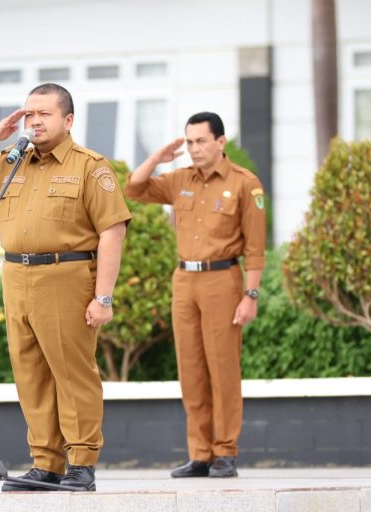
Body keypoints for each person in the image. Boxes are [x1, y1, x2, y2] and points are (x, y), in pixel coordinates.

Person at [0, 83, 131, 491]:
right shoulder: (13, 162)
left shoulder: (90, 166)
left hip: (65, 276)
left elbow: (112, 233)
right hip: (16, 276)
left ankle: (81, 463)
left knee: (72, 372)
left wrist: (103, 297)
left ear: (68, 120)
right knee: (30, 373)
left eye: (44, 114)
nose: (34, 121)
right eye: (29, 114)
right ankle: (45, 462)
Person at [125, 112, 266, 478]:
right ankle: (200, 454)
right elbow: (134, 188)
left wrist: (250, 294)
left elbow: (255, 247)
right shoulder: (179, 180)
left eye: (201, 141)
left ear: (220, 142)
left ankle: (225, 453)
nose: (194, 148)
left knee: (223, 369)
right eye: (189, 142)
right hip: (184, 281)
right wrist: (158, 157)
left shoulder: (244, 184)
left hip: (223, 280)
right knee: (191, 371)